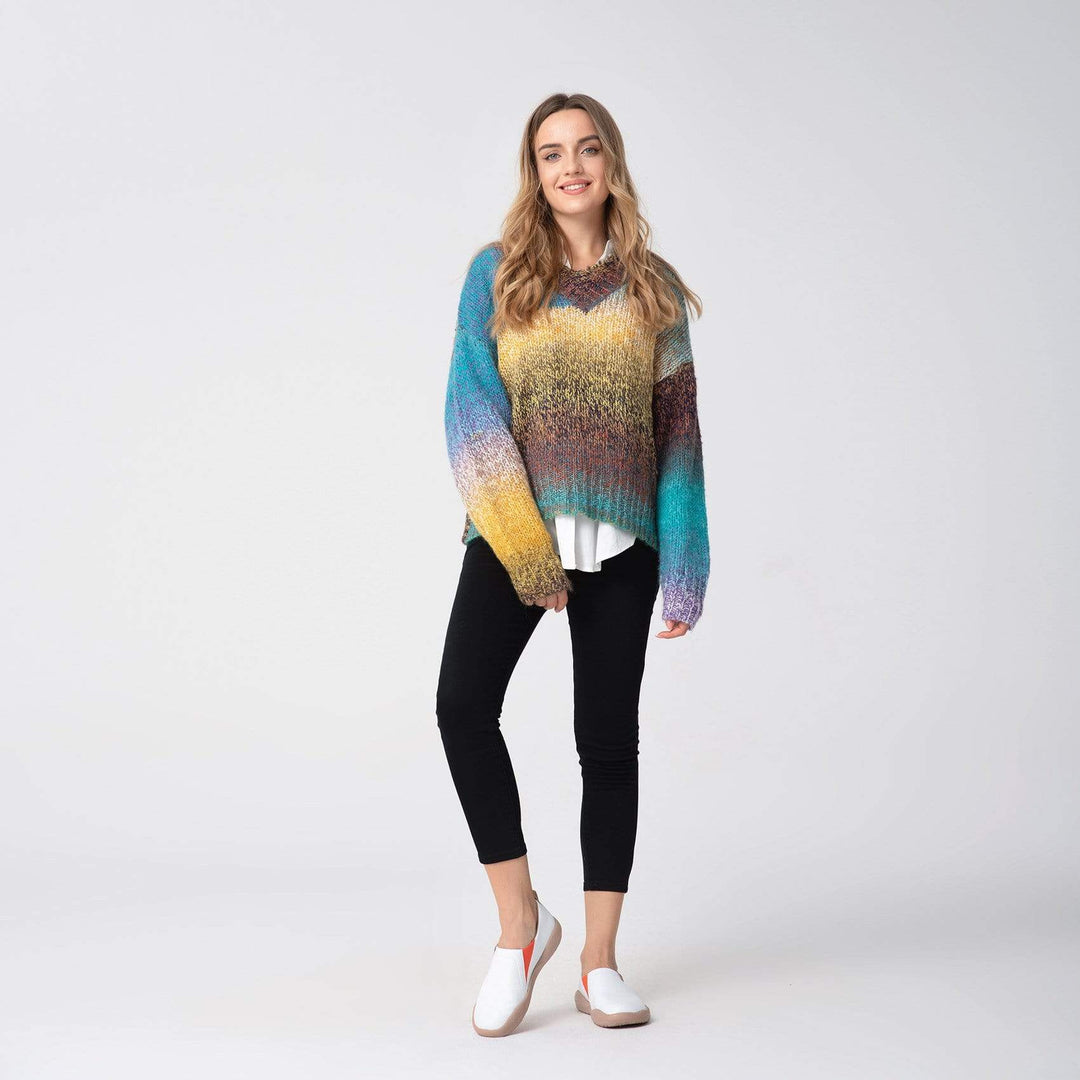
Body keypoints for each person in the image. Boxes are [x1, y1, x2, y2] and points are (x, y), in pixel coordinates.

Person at [436, 91, 710, 1037]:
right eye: (551, 153)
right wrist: (524, 551)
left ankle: (598, 961)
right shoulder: (498, 274)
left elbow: (679, 435)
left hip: (625, 543)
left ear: (610, 163)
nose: (570, 167)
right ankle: (522, 928)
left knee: (607, 742)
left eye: (587, 149)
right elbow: (471, 414)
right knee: (462, 706)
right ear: (535, 170)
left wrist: (688, 557)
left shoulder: (653, 288)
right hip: (517, 531)